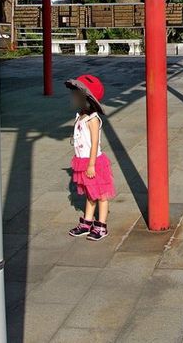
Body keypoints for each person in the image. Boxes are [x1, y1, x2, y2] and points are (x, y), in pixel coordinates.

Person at [66, 74, 117, 241]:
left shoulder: (93, 119)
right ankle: (87, 222)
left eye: (76, 95)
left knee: (101, 194)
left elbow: (95, 142)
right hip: (82, 161)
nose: (73, 98)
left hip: (93, 162)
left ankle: (101, 225)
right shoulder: (80, 116)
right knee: (89, 193)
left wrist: (91, 165)